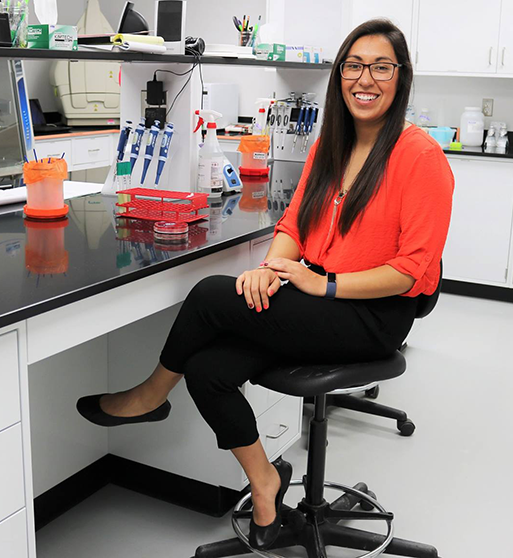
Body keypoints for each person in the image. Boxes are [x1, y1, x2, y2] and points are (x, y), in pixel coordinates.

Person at [77, 18, 454, 550]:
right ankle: (265, 481)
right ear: (339, 75)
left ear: (401, 77)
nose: (365, 79)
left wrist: (320, 285)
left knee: (210, 294)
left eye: (381, 67)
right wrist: (271, 270)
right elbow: (293, 226)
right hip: (313, 291)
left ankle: (150, 394)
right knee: (208, 369)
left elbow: (412, 269)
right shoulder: (332, 144)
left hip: (372, 313)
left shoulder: (421, 157)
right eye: (354, 65)